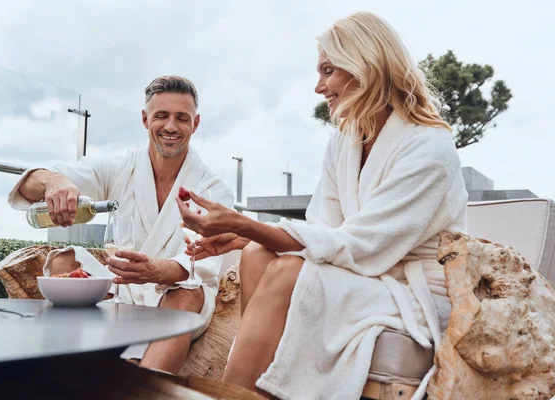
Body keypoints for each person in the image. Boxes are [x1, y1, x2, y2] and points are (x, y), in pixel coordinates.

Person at [177, 12, 468, 400]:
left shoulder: (430, 148)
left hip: (410, 289)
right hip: (365, 273)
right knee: (256, 255)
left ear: (365, 65)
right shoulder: (345, 141)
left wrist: (246, 224)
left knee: (281, 270)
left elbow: (365, 245)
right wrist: (244, 236)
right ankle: (259, 387)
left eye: (328, 70)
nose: (319, 87)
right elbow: (323, 228)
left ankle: (231, 393)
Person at [8, 75, 234, 373]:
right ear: (144, 119)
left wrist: (154, 270)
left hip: (176, 294)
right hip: (122, 288)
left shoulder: (214, 189)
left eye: (182, 117)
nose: (170, 126)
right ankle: (73, 374)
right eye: (161, 116)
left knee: (187, 292)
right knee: (66, 261)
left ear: (196, 123)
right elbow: (30, 184)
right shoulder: (120, 168)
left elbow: (201, 264)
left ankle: (141, 386)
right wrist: (55, 182)